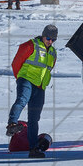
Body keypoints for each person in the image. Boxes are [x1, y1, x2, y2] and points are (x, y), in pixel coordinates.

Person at [7, 24, 58, 158]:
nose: (50, 41)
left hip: (40, 86)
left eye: (53, 40)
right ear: (43, 35)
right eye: (48, 38)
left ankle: (33, 149)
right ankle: (12, 123)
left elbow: (49, 68)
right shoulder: (30, 45)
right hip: (26, 80)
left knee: (34, 119)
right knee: (22, 100)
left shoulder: (53, 52)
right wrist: (20, 78)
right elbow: (16, 63)